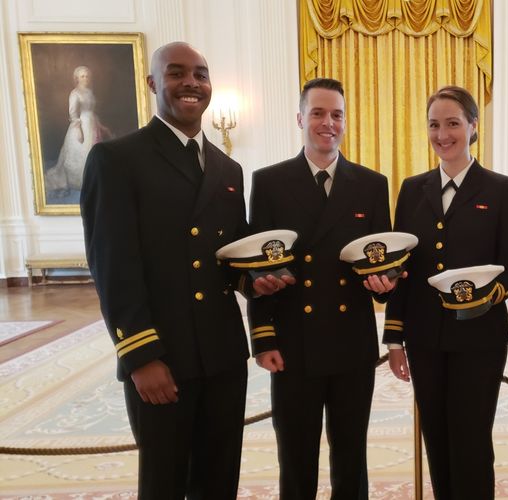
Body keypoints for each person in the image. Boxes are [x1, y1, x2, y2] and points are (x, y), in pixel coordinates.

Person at [81, 42, 255, 499]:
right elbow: (111, 267)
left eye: (200, 74)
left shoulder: (228, 168)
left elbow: (228, 259)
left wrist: (259, 279)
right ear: (153, 83)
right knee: (164, 484)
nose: (191, 83)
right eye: (177, 73)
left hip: (222, 358)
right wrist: (141, 357)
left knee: (219, 482)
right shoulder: (117, 159)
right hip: (163, 358)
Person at [247, 77, 397, 500]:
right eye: (318, 113)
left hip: (351, 345)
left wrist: (385, 286)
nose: (328, 123)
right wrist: (263, 338)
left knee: (351, 457)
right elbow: (259, 267)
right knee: (296, 458)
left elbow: (381, 262)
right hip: (293, 345)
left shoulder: (371, 184)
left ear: (345, 122)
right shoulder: (270, 182)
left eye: (336, 115)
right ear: (300, 118)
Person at [382, 85, 508, 499]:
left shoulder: (501, 189)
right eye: (434, 125)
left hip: (480, 337)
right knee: (437, 438)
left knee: (471, 440)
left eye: (452, 124)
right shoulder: (412, 189)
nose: (442, 135)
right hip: (425, 337)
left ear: (473, 126)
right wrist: (394, 338)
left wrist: (483, 297)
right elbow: (402, 268)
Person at [47, 65, 112, 199]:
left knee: (94, 152)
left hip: (92, 125)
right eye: (82, 76)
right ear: (77, 78)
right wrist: (78, 130)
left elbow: (92, 113)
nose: (85, 78)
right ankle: (80, 180)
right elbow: (73, 113)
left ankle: (94, 179)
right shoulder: (75, 93)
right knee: (83, 152)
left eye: (87, 76)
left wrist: (101, 126)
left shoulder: (89, 92)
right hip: (82, 125)